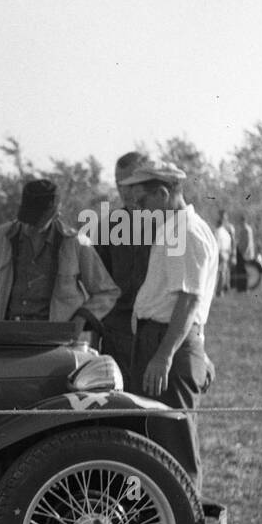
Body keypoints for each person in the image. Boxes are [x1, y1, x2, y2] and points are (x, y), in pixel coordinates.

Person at [121, 159, 218, 477]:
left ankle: (184, 522)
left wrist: (164, 356)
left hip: (167, 345)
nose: (138, 207)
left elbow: (189, 301)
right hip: (160, 340)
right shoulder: (172, 229)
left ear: (162, 193)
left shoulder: (187, 232)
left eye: (142, 199)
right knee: (155, 443)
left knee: (174, 444)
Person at [0, 178, 118, 335]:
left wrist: (82, 318)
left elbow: (107, 292)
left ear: (56, 213)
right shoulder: (2, 237)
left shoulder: (76, 243)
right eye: (28, 218)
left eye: (38, 220)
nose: (31, 225)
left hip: (56, 339)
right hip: (9, 335)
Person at [96, 152, 153, 380]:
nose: (123, 190)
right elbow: (99, 285)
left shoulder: (165, 224)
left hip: (153, 329)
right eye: (118, 183)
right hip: (117, 331)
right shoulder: (108, 226)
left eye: (130, 183)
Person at [235, 214, 262, 290]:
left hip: (245, 252)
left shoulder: (247, 229)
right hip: (242, 250)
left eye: (241, 221)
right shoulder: (243, 229)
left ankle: (243, 285)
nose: (240, 222)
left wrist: (242, 251)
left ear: (243, 221)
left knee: (243, 269)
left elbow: (247, 242)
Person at [214, 212, 235, 297]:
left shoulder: (218, 231)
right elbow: (230, 242)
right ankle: (221, 290)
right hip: (226, 253)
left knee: (219, 273)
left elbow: (216, 243)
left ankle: (218, 291)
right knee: (223, 273)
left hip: (220, 252)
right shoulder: (225, 232)